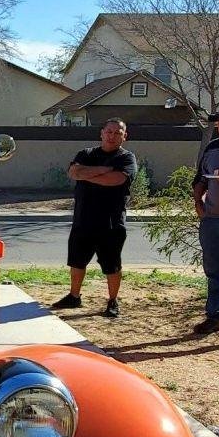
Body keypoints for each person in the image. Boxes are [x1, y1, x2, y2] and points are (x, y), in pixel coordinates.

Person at [52, 118, 137, 318]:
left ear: (125, 136)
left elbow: (117, 179)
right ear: (101, 133)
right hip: (83, 219)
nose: (112, 135)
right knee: (77, 261)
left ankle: (112, 301)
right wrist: (102, 170)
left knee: (112, 264)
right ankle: (74, 296)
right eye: (109, 131)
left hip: (111, 222)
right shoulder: (86, 153)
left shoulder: (126, 158)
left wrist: (87, 174)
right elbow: (74, 172)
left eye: (118, 132)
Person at [191, 104, 219, 335]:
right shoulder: (213, 147)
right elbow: (200, 179)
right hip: (212, 220)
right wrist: (198, 202)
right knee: (213, 270)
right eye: (218, 121)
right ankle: (215, 316)